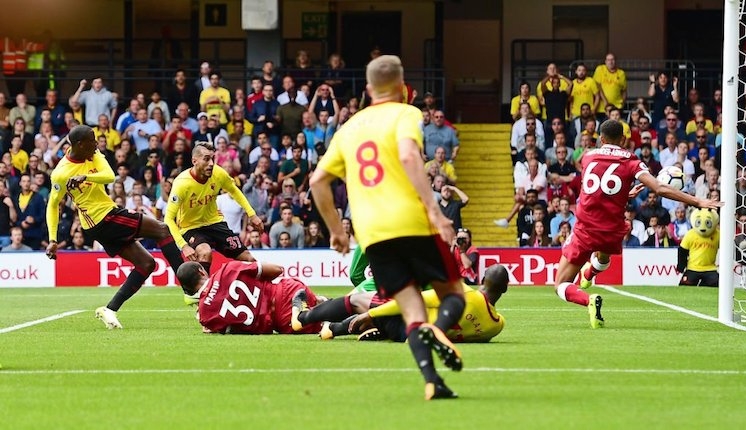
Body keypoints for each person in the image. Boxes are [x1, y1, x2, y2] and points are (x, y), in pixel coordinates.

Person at [309, 55, 466, 400]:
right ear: (402, 86)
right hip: (410, 221)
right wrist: (435, 212)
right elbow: (410, 156)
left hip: (373, 235)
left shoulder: (348, 128)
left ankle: (432, 381)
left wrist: (336, 229)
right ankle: (438, 332)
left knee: (412, 312)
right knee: (454, 295)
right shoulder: (406, 113)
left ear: (368, 89)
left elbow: (317, 181)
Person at [554, 120, 722, 329]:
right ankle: (589, 273)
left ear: (601, 139)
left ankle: (588, 300)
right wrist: (697, 201)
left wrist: (623, 190)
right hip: (612, 230)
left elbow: (599, 185)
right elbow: (659, 188)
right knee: (603, 256)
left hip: (585, 228)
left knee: (561, 283)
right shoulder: (632, 162)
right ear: (624, 140)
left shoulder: (588, 157)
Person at [45, 125, 186, 329]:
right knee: (162, 230)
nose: (97, 143)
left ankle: (109, 309)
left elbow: (110, 176)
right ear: (79, 144)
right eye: (92, 140)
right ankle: (190, 289)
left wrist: (86, 177)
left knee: (147, 264)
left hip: (106, 215)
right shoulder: (60, 174)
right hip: (101, 219)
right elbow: (52, 204)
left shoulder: (92, 153)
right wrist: (52, 239)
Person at [295, 264, 509, 345]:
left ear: (482, 281)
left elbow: (414, 300)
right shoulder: (496, 326)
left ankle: (304, 318)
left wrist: (371, 314)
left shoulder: (464, 293)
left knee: (358, 301)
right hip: (410, 335)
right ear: (505, 289)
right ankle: (377, 328)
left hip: (407, 324)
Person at [164, 141, 264, 277]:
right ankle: (203, 294)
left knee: (249, 259)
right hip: (190, 227)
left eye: (212, 159)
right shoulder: (182, 183)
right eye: (206, 159)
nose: (211, 163)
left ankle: (265, 291)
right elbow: (168, 219)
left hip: (215, 223)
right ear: (195, 161)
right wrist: (184, 246)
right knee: (205, 252)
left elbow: (234, 191)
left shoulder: (218, 173)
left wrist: (252, 214)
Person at [177, 260, 323, 335]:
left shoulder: (205, 315)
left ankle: (313, 311)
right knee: (327, 307)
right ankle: (320, 302)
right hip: (286, 290)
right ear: (202, 272)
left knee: (325, 325)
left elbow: (231, 330)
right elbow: (277, 269)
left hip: (280, 321)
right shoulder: (229, 268)